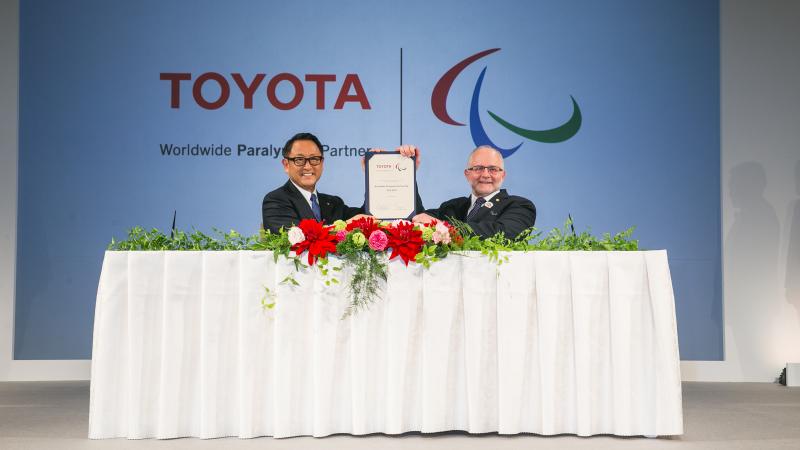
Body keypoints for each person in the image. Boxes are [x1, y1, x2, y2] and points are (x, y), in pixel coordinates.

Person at [261, 132, 421, 232]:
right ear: (286, 165)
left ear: (322, 163)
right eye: (299, 159)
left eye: (314, 159)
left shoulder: (333, 203)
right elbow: (295, 238)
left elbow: (370, 217)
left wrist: (377, 175)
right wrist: (345, 226)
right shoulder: (275, 200)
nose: (308, 166)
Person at [412, 145, 536, 238]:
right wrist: (408, 173)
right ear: (467, 174)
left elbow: (503, 233)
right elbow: (417, 219)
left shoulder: (520, 206)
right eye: (478, 168)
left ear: (503, 175)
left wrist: (443, 227)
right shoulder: (452, 207)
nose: (485, 175)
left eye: (493, 169)